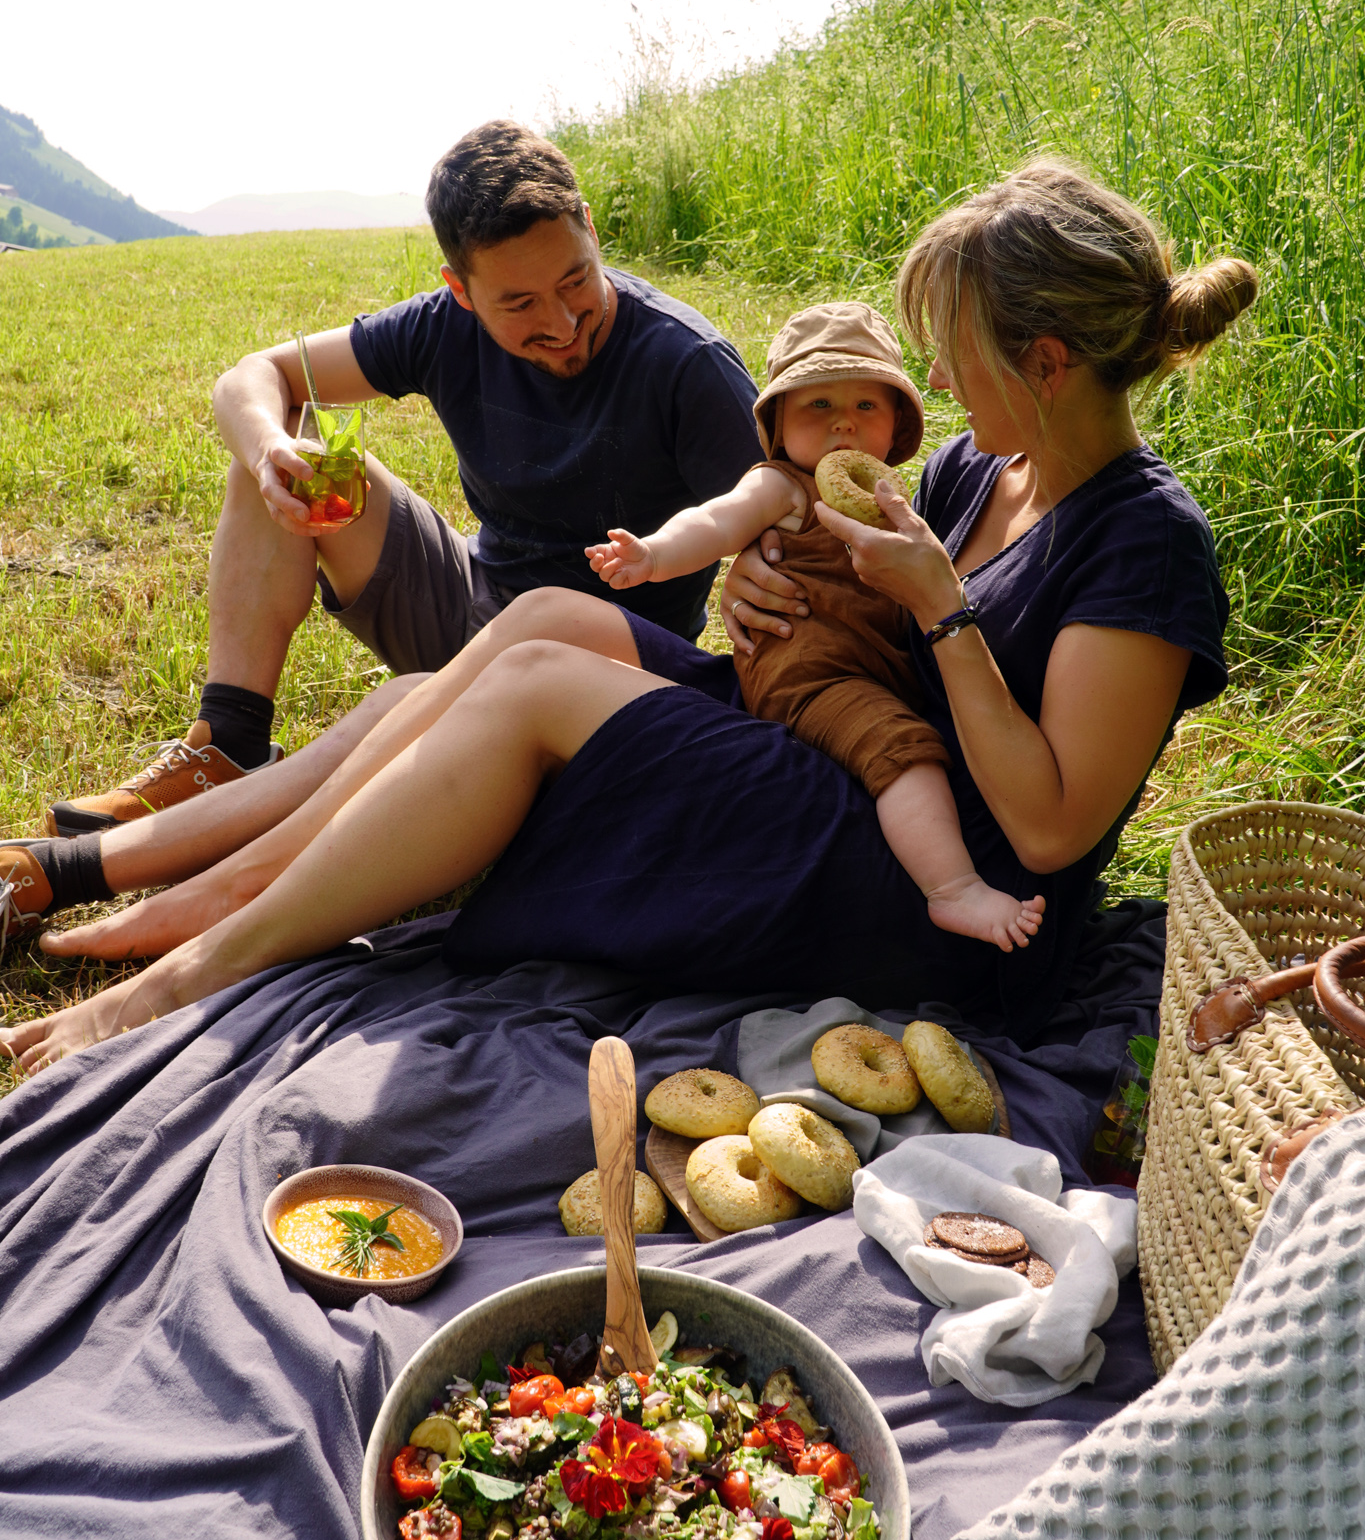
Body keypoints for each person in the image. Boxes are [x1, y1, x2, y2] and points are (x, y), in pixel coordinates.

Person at [2, 160, 1256, 1076]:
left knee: (540, 684)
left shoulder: (1145, 541)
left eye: (955, 351)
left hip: (945, 892)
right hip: (853, 754)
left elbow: (1044, 827)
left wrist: (938, 610)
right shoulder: (994, 468)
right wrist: (771, 586)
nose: (931, 381)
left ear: (1043, 359)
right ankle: (107, 869)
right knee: (552, 618)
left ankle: (191, 962)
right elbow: (865, 602)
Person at [41, 120, 761, 838]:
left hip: (603, 674)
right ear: (462, 290)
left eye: (575, 279)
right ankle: (228, 744)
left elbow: (780, 514)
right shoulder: (441, 327)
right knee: (288, 439)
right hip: (474, 606)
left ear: (591, 231)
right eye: (520, 304)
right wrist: (267, 456)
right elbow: (251, 376)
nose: (563, 319)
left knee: (392, 763)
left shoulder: (686, 364)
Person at [586, 299, 1045, 952]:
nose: (843, 428)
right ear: (777, 424)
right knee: (902, 753)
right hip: (810, 675)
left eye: (865, 406)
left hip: (868, 668)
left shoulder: (897, 506)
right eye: (818, 406)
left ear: (898, 425)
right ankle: (953, 890)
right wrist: (654, 554)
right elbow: (717, 520)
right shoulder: (784, 488)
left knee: (897, 730)